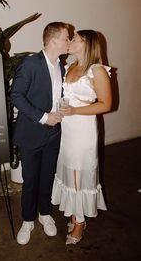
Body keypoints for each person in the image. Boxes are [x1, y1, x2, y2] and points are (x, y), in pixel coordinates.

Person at [10, 22, 70, 245]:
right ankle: (27, 220)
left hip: (54, 134)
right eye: (66, 38)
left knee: (48, 176)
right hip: (31, 134)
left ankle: (45, 214)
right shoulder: (31, 64)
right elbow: (16, 95)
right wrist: (45, 117)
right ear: (53, 40)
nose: (69, 41)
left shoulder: (61, 67)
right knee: (30, 180)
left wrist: (62, 109)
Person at [51, 29, 112, 245]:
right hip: (66, 129)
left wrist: (76, 111)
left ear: (86, 44)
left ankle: (79, 221)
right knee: (68, 171)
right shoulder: (69, 67)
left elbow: (106, 104)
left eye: (75, 38)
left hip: (83, 130)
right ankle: (75, 213)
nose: (70, 41)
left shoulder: (97, 71)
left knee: (78, 174)